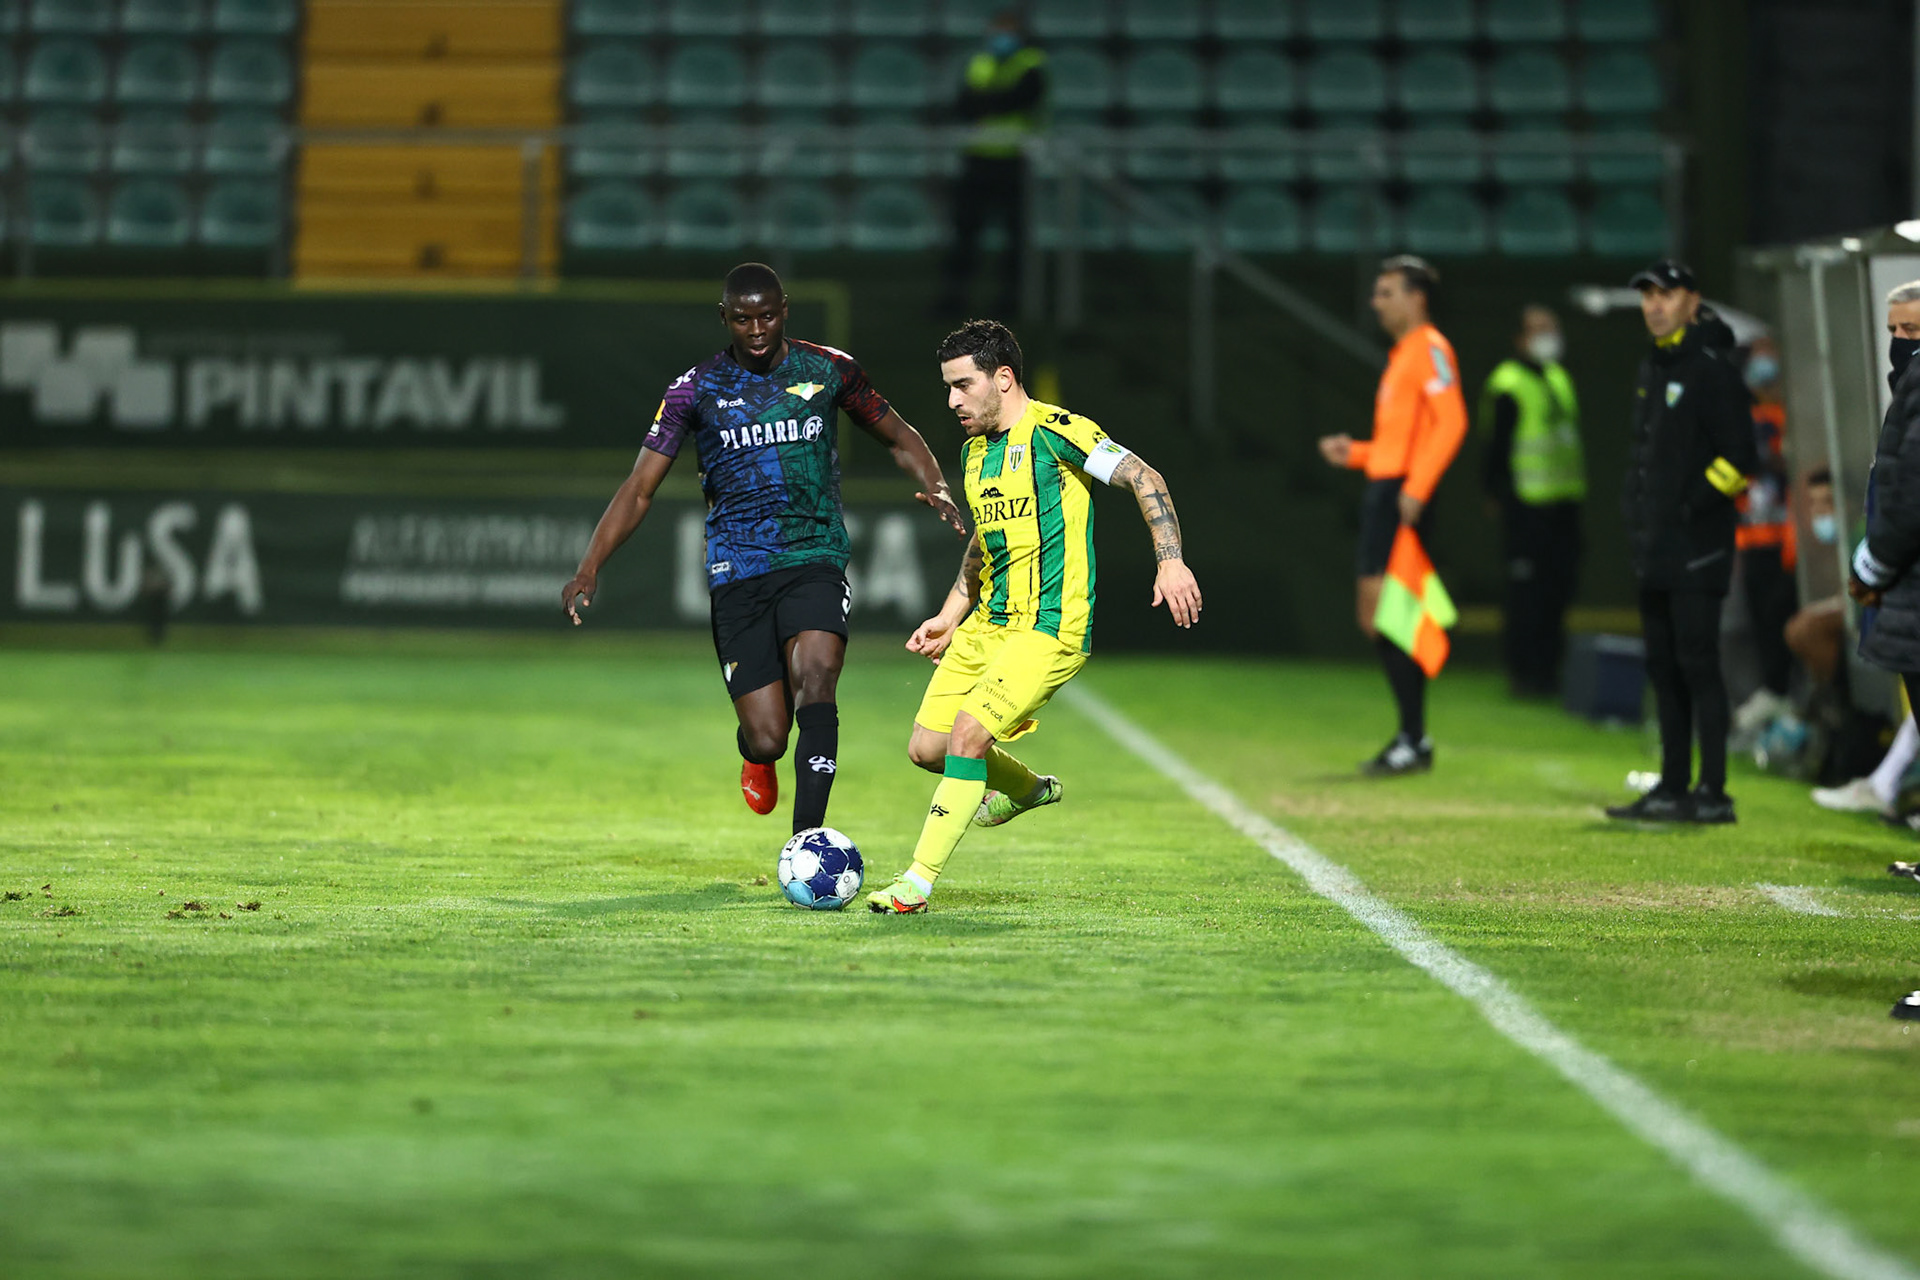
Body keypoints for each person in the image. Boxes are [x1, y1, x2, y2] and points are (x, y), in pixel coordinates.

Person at [562, 263, 966, 837]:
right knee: (770, 735)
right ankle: (753, 754)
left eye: (768, 316)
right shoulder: (694, 389)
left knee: (817, 679)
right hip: (738, 569)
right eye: (743, 319)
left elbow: (898, 435)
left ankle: (807, 841)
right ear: (723, 317)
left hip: (815, 556)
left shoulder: (828, 370)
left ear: (785, 311)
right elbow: (640, 487)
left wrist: (936, 484)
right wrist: (589, 566)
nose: (756, 329)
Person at [865, 319, 1202, 914]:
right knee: (927, 748)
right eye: (948, 388)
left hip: (1048, 627)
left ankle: (916, 883)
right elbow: (984, 542)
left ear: (1003, 378)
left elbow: (1144, 477)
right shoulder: (974, 452)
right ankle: (1026, 789)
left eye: (963, 386)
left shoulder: (1059, 432)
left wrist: (1170, 561)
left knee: (967, 737)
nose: (952, 401)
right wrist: (950, 615)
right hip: (986, 626)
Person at [1605, 260, 1758, 824]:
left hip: (1697, 549)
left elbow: (1741, 459)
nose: (1654, 305)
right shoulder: (1654, 365)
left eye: (1666, 294)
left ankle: (1713, 791)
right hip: (1657, 549)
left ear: (1693, 301)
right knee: (1664, 668)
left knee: (1698, 666)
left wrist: (1690, 507)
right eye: (1648, 296)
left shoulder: (1712, 369)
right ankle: (1672, 787)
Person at [1317, 256, 1468, 776]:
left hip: (1401, 496)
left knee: (1389, 612)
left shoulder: (1430, 349)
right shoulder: (1405, 354)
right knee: (1380, 614)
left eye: (1386, 293)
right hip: (1388, 488)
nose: (1376, 302)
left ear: (1416, 297)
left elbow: (1452, 422)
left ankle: (1414, 738)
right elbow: (1398, 443)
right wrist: (1355, 454)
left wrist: (1418, 488)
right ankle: (1412, 736)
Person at [1479, 304, 1585, 698]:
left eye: (1551, 328)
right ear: (1520, 338)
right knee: (1526, 594)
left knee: (1559, 592)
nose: (1547, 337)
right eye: (1538, 330)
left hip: (1564, 503)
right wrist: (1496, 494)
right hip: (1526, 505)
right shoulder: (1507, 383)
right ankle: (1522, 673)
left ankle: (1549, 672)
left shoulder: (1560, 378)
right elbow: (1495, 446)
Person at [936, 9, 1046, 318]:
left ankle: (1013, 301)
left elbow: (1022, 98)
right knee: (965, 233)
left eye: (1008, 31)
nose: (1002, 37)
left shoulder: (1032, 64)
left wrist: (985, 102)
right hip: (978, 160)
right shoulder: (979, 62)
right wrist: (994, 101)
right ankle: (953, 299)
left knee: (1015, 239)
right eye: (999, 30)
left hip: (1015, 162)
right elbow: (963, 105)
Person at [1732, 333, 1800, 732]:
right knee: (1759, 621)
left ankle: (1786, 695)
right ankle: (1772, 694)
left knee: (1783, 616)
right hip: (1752, 537)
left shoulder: (1793, 414)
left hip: (1789, 538)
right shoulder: (1738, 417)